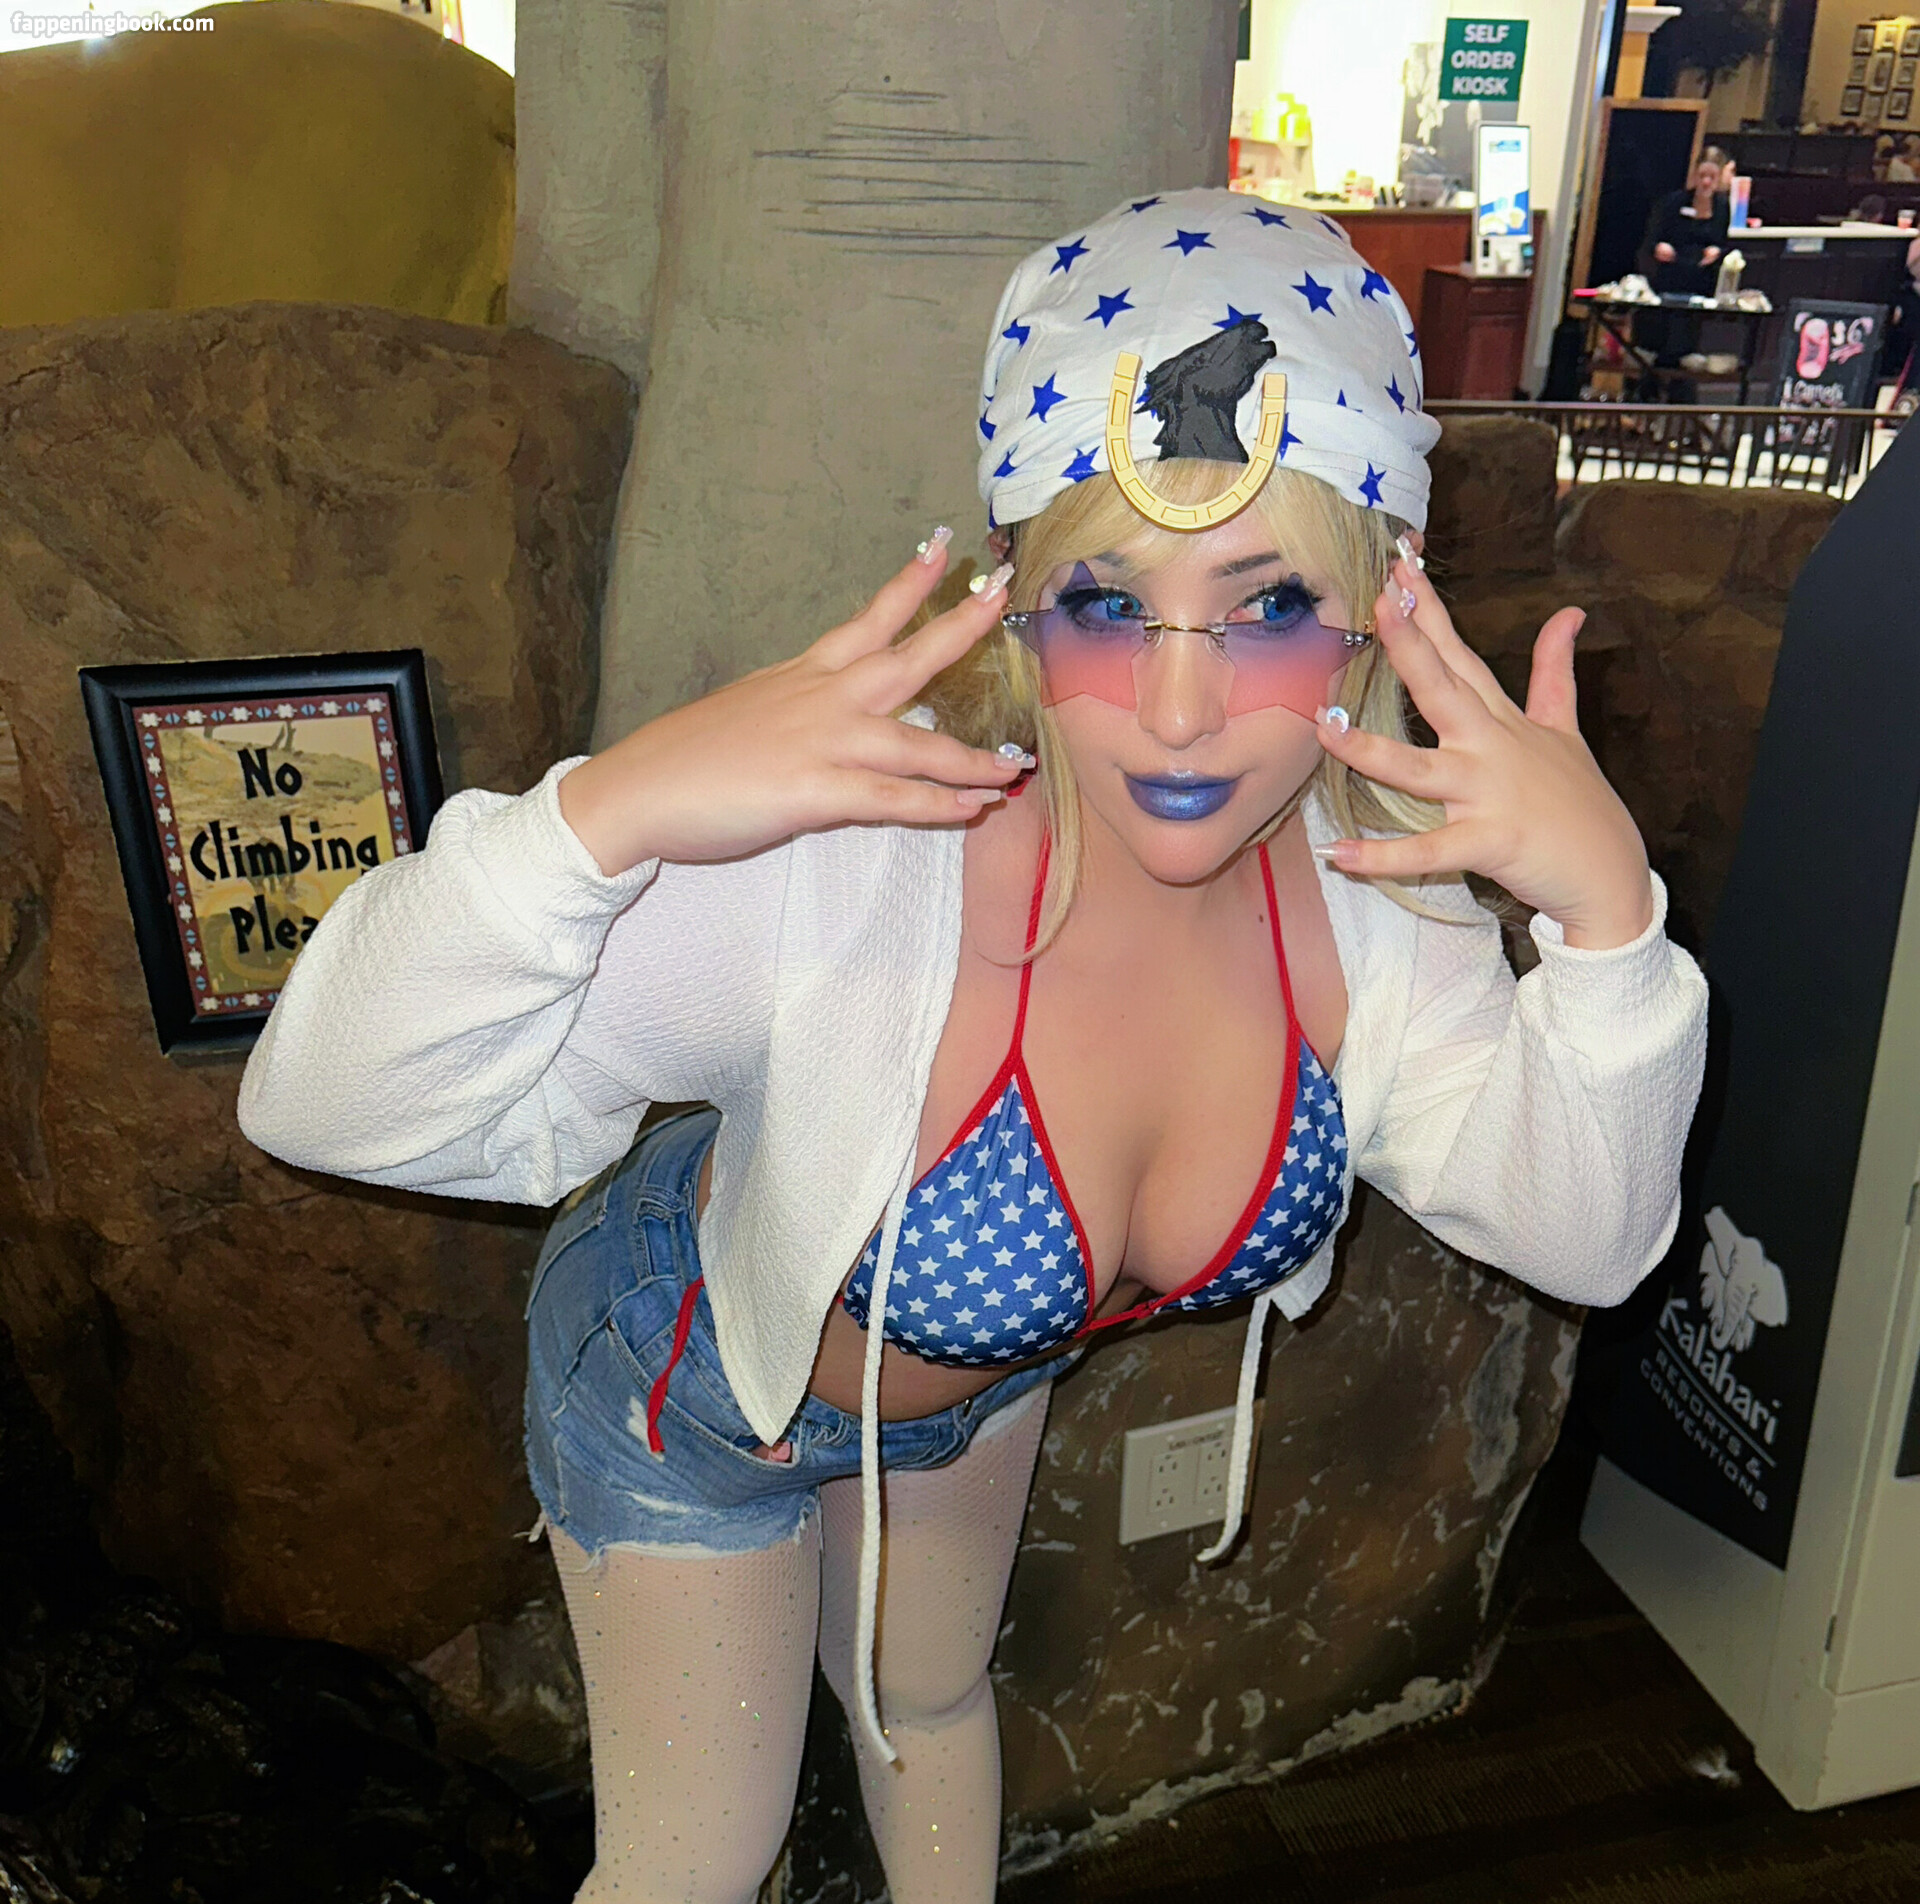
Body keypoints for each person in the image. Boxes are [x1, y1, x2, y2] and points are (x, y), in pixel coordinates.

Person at [237, 189, 1708, 1902]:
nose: (1177, 713)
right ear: (1018, 601)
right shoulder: (854, 864)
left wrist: (1611, 927)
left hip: (975, 1374)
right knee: (695, 1869)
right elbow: (320, 1100)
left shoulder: (1381, 906)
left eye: (1264, 607)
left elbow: (1588, 1237)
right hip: (685, 1379)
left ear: (1387, 605)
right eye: (1108, 604)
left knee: (927, 1709)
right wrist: (600, 816)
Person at [1637, 148, 1733, 379]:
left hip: (1700, 284)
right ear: (1694, 175)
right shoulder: (1673, 202)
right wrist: (1659, 247)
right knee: (1660, 340)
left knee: (1687, 347)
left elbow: (1724, 243)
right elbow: (1650, 240)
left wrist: (1717, 252)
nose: (1706, 182)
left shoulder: (1722, 207)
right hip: (1668, 278)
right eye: (1702, 176)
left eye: (1712, 177)